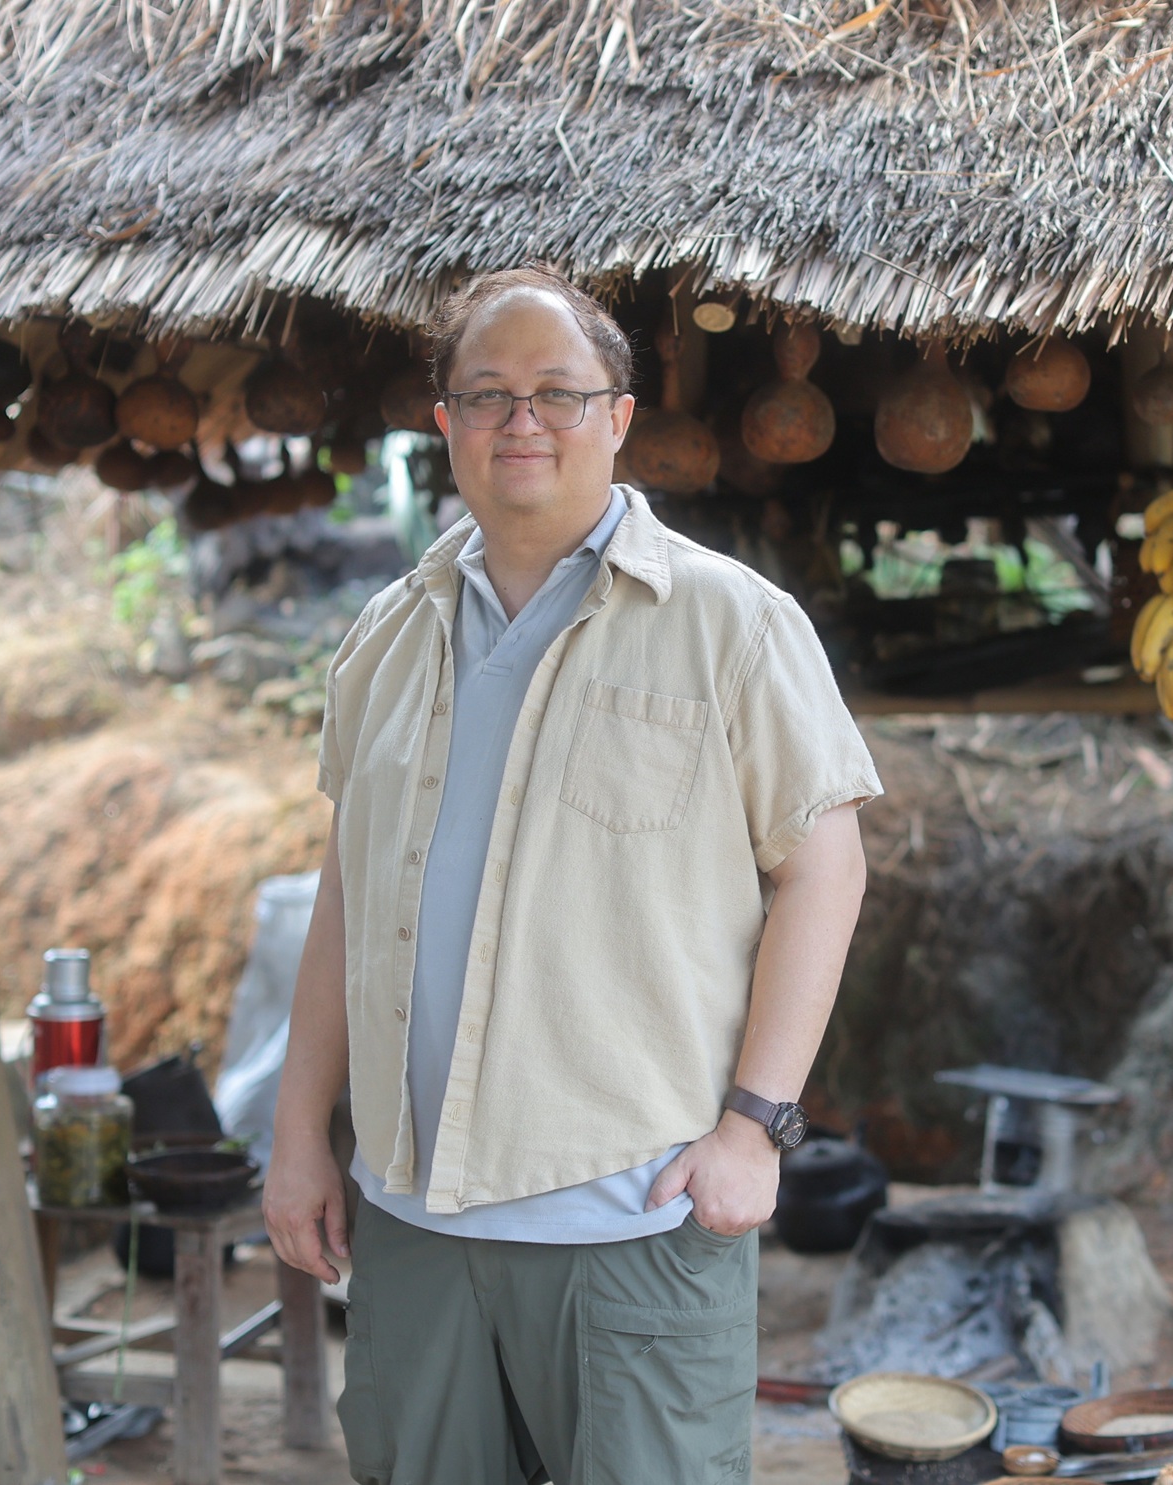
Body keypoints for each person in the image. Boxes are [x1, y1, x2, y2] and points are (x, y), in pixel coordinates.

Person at [262, 265, 880, 1485]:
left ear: (618, 416)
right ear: (444, 422)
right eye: (486, 394)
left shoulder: (729, 621)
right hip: (412, 1217)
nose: (522, 421)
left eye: (557, 392)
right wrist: (296, 1136)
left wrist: (754, 1128)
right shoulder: (385, 637)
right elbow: (349, 898)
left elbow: (826, 873)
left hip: (630, 1213)